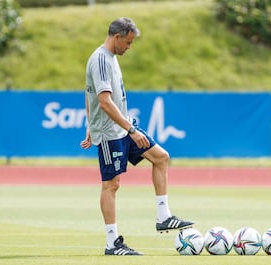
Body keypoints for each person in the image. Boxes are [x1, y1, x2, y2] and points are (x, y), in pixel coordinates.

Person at [80, 17, 194, 256]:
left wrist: (93, 124)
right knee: (111, 184)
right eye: (129, 43)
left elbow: (88, 91)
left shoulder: (110, 58)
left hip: (122, 127)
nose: (129, 48)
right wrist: (127, 130)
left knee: (161, 157)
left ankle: (163, 216)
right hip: (112, 132)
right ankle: (112, 243)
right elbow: (103, 100)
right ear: (117, 37)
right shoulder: (100, 59)